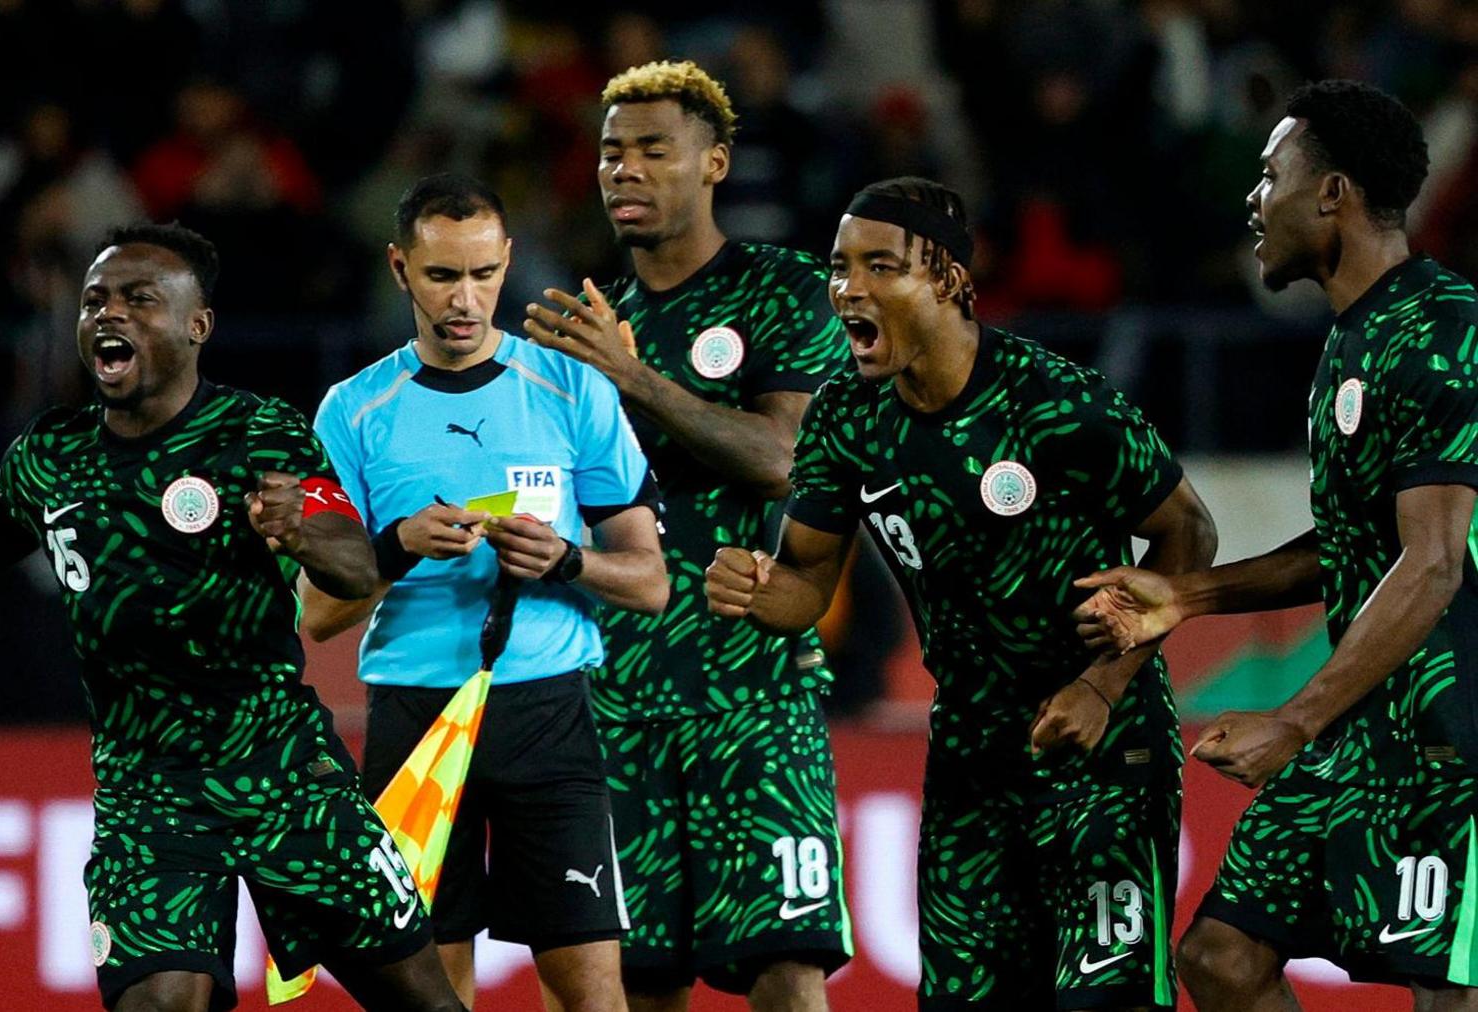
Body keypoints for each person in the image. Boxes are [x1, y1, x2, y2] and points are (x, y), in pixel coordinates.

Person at [0, 223, 466, 1012]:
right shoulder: (52, 457)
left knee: (428, 1006)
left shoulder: (258, 433)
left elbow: (354, 566)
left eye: (139, 299)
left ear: (197, 325)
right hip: (149, 798)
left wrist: (302, 530)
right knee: (157, 1004)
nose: (110, 313)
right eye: (96, 300)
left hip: (283, 775)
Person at [705, 177, 1219, 1011]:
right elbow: (807, 585)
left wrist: (1103, 684)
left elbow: (1189, 532)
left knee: (1108, 1001)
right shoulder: (845, 417)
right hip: (971, 761)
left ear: (945, 277)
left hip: (1101, 747)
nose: (848, 289)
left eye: (879, 266)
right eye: (838, 268)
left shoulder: (1054, 400)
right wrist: (759, 588)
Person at [1074, 80, 1478, 1011]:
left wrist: (1294, 719)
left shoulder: (1441, 329)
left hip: (1448, 741)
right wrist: (1190, 596)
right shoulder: (1353, 342)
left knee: (1446, 993)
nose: (1254, 199)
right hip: (1360, 730)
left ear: (1331, 193)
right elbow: (1352, 547)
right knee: (1220, 958)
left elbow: (1431, 563)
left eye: (1270, 175)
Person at [520, 60, 852, 1010]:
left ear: (715, 162)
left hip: (753, 695)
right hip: (611, 702)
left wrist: (635, 380)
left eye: (653, 149)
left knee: (786, 968)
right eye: (610, 152)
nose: (624, 169)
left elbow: (786, 460)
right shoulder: (582, 334)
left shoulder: (782, 290)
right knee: (630, 982)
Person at [299, 173, 666, 1012]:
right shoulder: (352, 412)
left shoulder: (573, 389)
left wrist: (566, 559)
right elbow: (316, 614)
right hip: (415, 717)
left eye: (482, 274)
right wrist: (397, 547)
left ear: (507, 262)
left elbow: (650, 583)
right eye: (440, 276)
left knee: (592, 995)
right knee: (430, 997)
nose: (464, 299)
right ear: (399, 268)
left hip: (547, 714)